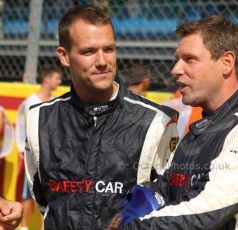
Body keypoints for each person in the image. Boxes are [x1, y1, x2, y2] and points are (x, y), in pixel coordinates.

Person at [120, 15, 238, 229]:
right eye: (177, 59)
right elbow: (162, 191)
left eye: (190, 59)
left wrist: (131, 227)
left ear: (226, 63)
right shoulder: (201, 127)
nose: (176, 69)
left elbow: (204, 212)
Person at [24, 5, 178, 230]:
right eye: (88, 52)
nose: (102, 61)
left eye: (109, 49)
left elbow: (171, 205)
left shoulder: (156, 121)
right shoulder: (38, 119)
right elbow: (43, 202)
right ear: (64, 56)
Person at [16, 64, 62, 230]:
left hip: (51, 155)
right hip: (33, 154)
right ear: (46, 79)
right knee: (29, 191)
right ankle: (24, 227)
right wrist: (23, 148)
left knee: (50, 191)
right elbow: (21, 127)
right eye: (56, 78)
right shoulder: (30, 102)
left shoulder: (55, 103)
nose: (59, 81)